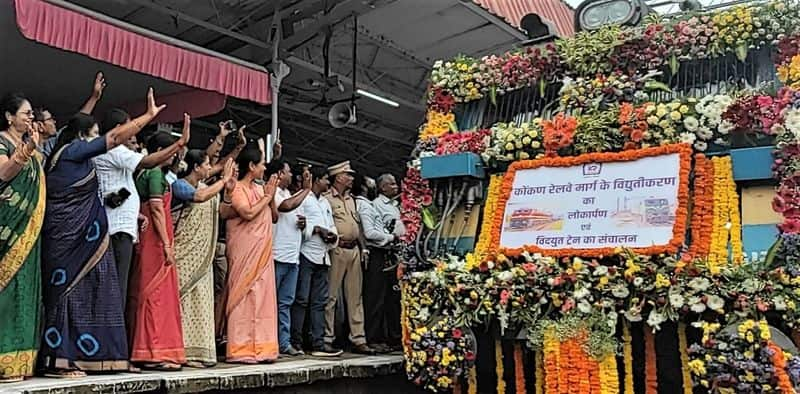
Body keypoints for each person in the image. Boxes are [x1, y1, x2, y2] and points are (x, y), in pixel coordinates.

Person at [39, 89, 168, 378]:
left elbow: (101, 197)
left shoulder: (81, 160)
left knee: (92, 296)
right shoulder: (71, 151)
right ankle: (60, 362)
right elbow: (113, 139)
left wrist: (129, 209)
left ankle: (89, 357)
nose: (98, 139)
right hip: (68, 239)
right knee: (67, 296)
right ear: (83, 136)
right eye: (94, 133)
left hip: (88, 237)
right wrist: (147, 117)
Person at [95, 110, 191, 313]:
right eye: (130, 127)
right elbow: (149, 166)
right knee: (117, 289)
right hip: (117, 230)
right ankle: (112, 339)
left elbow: (119, 192)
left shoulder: (118, 156)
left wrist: (133, 212)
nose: (133, 134)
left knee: (120, 287)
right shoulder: (114, 151)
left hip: (121, 226)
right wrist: (179, 144)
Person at [129, 129, 191, 371]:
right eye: (171, 151)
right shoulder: (154, 174)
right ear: (159, 151)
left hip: (151, 239)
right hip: (155, 241)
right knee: (155, 295)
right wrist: (166, 244)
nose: (173, 157)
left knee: (152, 293)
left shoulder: (147, 172)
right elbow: (156, 210)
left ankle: (155, 350)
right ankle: (153, 352)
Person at [171, 148, 235, 368]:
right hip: (184, 253)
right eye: (207, 164)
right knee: (184, 299)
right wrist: (223, 180)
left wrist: (227, 192)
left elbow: (223, 213)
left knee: (202, 300)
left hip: (202, 257)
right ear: (196, 167)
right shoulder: (179, 185)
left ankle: (200, 351)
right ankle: (182, 351)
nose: (209, 168)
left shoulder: (208, 188)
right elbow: (199, 198)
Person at [0, 93, 43, 383]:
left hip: (29, 230)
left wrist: (31, 148)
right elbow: (4, 173)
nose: (30, 117)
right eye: (25, 113)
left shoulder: (35, 149)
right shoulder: (2, 142)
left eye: (31, 114)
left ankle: (20, 360)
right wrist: (28, 148)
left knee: (25, 290)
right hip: (7, 227)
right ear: (9, 117)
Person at [224, 148, 280, 363]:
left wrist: (270, 197)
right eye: (262, 164)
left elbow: (274, 217)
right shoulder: (237, 188)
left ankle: (264, 348)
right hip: (245, 250)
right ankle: (240, 349)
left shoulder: (261, 189)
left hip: (263, 252)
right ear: (251, 167)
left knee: (264, 297)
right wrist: (267, 196)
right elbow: (247, 213)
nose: (265, 167)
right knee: (244, 297)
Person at [324, 161, 375, 355]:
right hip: (337, 249)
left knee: (355, 296)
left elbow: (358, 226)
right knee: (331, 296)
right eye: (348, 175)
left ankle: (358, 338)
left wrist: (364, 248)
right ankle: (327, 337)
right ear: (338, 177)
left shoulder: (352, 199)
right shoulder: (327, 199)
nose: (352, 179)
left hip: (354, 250)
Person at [291, 166, 342, 357]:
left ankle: (318, 344)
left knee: (319, 302)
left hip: (323, 255)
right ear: (317, 180)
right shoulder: (303, 198)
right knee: (302, 299)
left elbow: (332, 226)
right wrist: (317, 229)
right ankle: (296, 342)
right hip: (306, 254)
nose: (329, 183)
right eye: (326, 179)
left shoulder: (325, 203)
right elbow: (298, 224)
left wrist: (331, 236)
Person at [267, 160, 311, 357]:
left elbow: (293, 209)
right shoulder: (273, 191)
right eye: (289, 171)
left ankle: (284, 343)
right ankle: (269, 342)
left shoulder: (287, 193)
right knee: (270, 302)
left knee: (286, 303)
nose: (292, 175)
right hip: (277, 255)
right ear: (279, 174)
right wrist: (307, 189)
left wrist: (302, 224)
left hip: (293, 258)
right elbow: (285, 207)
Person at [352, 175, 396, 354]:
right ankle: (372, 337)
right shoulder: (363, 204)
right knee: (374, 299)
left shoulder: (369, 204)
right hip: (375, 252)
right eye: (370, 183)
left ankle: (380, 337)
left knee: (384, 298)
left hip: (384, 251)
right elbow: (370, 233)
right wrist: (391, 237)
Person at [366, 173, 405, 352]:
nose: (396, 187)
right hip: (381, 253)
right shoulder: (376, 205)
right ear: (382, 188)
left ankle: (395, 337)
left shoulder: (398, 205)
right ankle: (375, 337)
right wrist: (391, 236)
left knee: (393, 298)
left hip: (397, 254)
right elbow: (374, 232)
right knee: (377, 297)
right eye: (392, 184)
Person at [39, 72, 105, 160]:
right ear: (39, 125)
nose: (54, 122)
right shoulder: (27, 146)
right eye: (50, 119)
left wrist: (94, 98)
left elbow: (78, 122)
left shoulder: (55, 141)